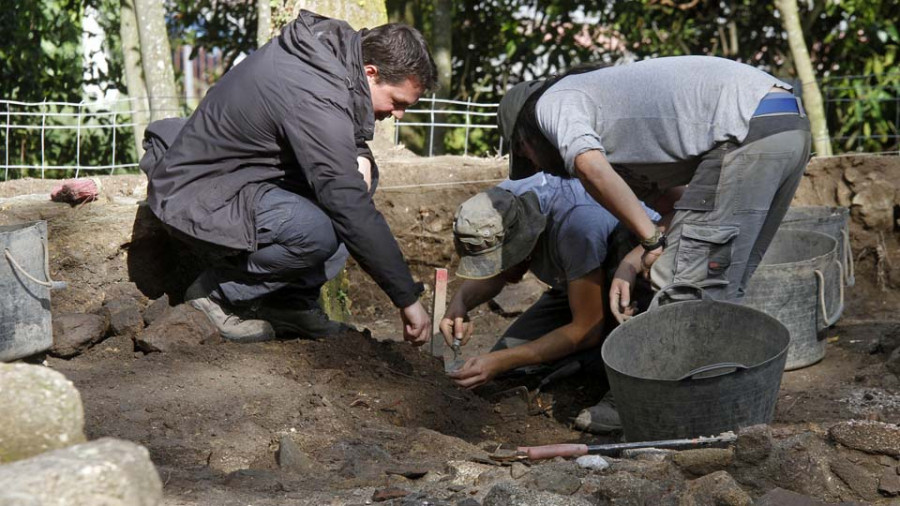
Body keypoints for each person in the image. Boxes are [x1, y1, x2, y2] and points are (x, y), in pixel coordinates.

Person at [142, 11, 437, 344]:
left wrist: (363, 158)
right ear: (371, 73)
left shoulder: (334, 60)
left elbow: (338, 139)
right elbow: (343, 196)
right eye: (398, 102)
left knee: (352, 189)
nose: (398, 115)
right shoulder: (312, 84)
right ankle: (214, 294)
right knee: (322, 227)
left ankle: (287, 304)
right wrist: (406, 298)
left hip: (240, 179)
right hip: (199, 191)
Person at [497, 56, 812, 323]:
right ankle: (722, 389)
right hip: (785, 123)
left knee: (680, 287)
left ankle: (661, 394)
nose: (535, 164)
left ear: (527, 136)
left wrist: (650, 242)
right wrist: (631, 263)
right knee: (724, 282)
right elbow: (675, 212)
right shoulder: (623, 146)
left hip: (745, 127)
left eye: (525, 153)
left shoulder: (552, 102)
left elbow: (588, 167)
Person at [439, 173, 659, 433]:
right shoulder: (495, 206)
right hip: (577, 285)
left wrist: (501, 360)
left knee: (507, 359)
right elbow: (499, 267)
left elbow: (586, 329)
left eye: (500, 262)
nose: (494, 272)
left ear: (526, 242)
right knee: (509, 366)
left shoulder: (577, 226)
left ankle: (628, 391)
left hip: (636, 279)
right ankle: (588, 357)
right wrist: (460, 303)